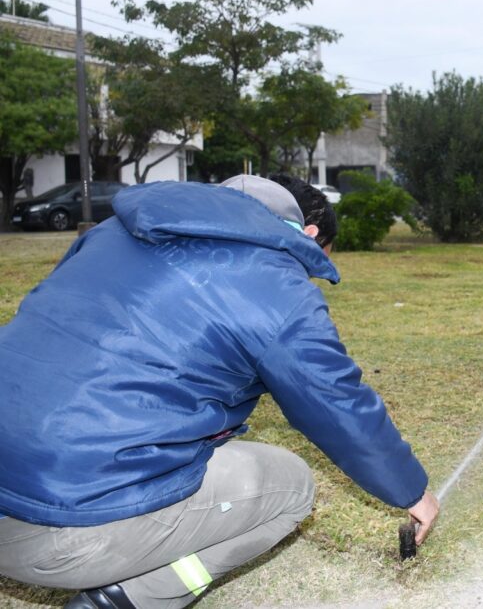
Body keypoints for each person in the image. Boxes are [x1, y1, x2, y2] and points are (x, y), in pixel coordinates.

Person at [0, 174, 438, 609]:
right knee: (292, 488)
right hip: (59, 532)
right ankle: (123, 601)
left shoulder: (108, 233)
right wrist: (411, 491)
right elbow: (336, 401)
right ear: (304, 236)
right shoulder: (276, 285)